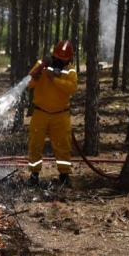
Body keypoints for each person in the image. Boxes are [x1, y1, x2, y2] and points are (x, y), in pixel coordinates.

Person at [26, 39, 78, 187]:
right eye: (57, 58)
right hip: (40, 113)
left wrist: (54, 79)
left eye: (63, 59)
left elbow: (72, 88)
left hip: (61, 115)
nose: (60, 61)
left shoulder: (71, 70)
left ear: (69, 59)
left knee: (63, 145)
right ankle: (34, 174)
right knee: (35, 144)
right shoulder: (41, 65)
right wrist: (40, 70)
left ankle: (64, 175)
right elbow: (29, 83)